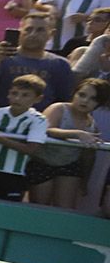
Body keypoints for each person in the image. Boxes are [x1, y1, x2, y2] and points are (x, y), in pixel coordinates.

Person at [26, 78, 107, 209]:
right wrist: (76, 133)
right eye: (82, 95)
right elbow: (47, 129)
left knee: (65, 209)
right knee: (39, 206)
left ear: (99, 104)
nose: (85, 101)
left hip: (69, 165)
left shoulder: (92, 125)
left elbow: (88, 157)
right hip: (42, 162)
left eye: (93, 99)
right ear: (74, 93)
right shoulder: (59, 108)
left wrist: (84, 181)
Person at [0, 12, 73, 121]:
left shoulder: (60, 65)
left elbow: (63, 103)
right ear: (20, 31)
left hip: (36, 128)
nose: (33, 34)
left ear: (51, 34)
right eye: (28, 29)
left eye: (40, 30)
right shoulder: (3, 57)